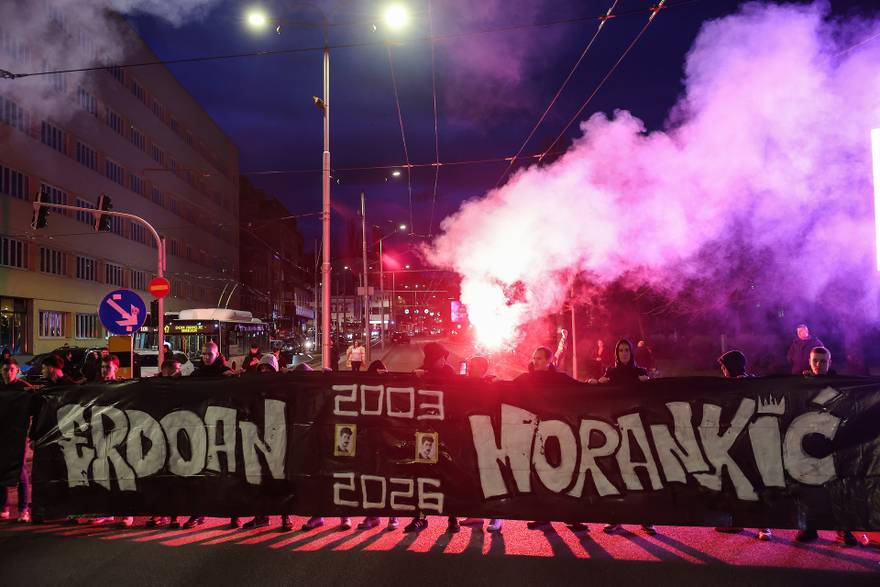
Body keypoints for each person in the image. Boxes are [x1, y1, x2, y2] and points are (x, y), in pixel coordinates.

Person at [794, 347, 859, 545]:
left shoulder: (839, 384)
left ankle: (844, 531)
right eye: (816, 361)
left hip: (833, 443)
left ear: (829, 362)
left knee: (838, 489)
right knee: (808, 488)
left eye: (823, 361)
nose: (819, 365)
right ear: (809, 361)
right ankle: (809, 529)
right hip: (809, 443)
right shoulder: (802, 383)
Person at [592, 339, 655, 535]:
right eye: (621, 350)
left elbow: (654, 396)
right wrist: (595, 384)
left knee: (641, 472)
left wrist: (649, 383)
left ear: (632, 352)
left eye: (627, 350)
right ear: (616, 353)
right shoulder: (611, 373)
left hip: (637, 429)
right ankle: (616, 518)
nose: (624, 353)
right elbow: (598, 395)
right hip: (615, 429)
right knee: (616, 474)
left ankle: (646, 519)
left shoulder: (640, 372)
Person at [712, 350, 772, 541]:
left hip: (751, 440)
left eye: (724, 366)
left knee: (754, 482)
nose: (722, 370)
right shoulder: (729, 384)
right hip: (733, 440)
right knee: (736, 482)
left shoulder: (751, 383)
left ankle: (764, 525)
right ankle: (737, 520)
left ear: (732, 366)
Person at [405, 342, 458, 534]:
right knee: (423, 474)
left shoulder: (449, 373)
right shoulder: (421, 372)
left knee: (449, 475)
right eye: (440, 358)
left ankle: (453, 518)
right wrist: (416, 376)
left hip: (447, 432)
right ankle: (420, 517)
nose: (443, 361)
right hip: (426, 432)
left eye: (445, 357)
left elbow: (458, 392)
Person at [460, 355, 502, 533]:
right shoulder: (463, 384)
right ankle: (476, 514)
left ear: (483, 369)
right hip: (469, 435)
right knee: (472, 475)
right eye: (469, 366)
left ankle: (497, 517)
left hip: (487, 435)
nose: (470, 369)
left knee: (490, 476)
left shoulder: (490, 385)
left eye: (474, 366)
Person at [1, 359, 33, 523]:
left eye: (11, 369)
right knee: (1, 468)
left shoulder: (24, 388)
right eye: (6, 370)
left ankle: (23, 509)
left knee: (20, 471)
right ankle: (3, 507)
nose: (8, 373)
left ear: (17, 370)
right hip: (2, 435)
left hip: (18, 436)